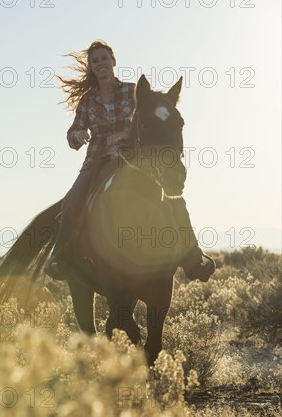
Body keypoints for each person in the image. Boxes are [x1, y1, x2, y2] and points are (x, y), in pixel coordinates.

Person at [44, 40, 215, 282]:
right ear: (91, 67)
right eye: (95, 61)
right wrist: (77, 136)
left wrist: (124, 134)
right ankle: (61, 257)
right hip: (97, 160)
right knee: (72, 201)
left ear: (113, 61)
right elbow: (73, 132)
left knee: (174, 198)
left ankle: (193, 259)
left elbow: (151, 122)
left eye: (105, 58)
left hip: (132, 159)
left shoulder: (132, 92)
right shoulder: (87, 100)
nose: (101, 63)